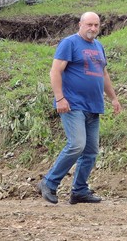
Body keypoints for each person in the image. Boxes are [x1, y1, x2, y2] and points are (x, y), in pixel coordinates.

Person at [38, 11, 121, 204]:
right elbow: (55, 71)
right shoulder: (70, 43)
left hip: (94, 106)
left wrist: (114, 98)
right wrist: (60, 98)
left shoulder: (99, 46)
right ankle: (49, 182)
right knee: (76, 144)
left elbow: (104, 75)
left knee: (91, 151)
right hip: (72, 104)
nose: (93, 28)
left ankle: (80, 190)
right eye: (89, 25)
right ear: (80, 25)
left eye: (96, 25)